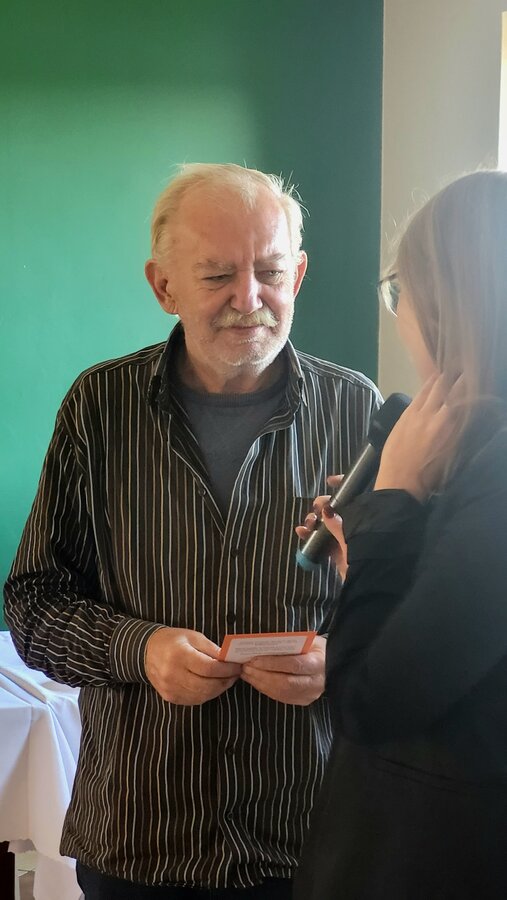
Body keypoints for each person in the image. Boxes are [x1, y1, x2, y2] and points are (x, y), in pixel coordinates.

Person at [3, 163, 380, 899]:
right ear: (163, 286)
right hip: (140, 842)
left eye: (270, 271)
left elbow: (401, 612)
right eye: (216, 276)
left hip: (310, 840)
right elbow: (33, 606)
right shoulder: (99, 409)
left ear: (298, 274)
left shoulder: (355, 412)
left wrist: (341, 660)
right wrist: (139, 649)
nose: (249, 298)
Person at [293, 169, 507, 899]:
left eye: (397, 292)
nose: (398, 316)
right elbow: (449, 649)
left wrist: (392, 498)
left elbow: (367, 699)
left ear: (447, 303)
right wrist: (382, 545)